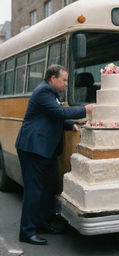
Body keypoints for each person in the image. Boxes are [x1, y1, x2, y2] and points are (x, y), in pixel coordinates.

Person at [16, 64, 94, 245]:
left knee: (48, 187)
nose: (66, 84)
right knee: (34, 190)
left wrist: (70, 124)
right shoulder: (44, 92)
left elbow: (53, 117)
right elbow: (59, 112)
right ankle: (27, 232)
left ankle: (42, 223)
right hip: (33, 148)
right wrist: (86, 109)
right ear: (53, 79)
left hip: (45, 149)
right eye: (64, 80)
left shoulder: (50, 93)